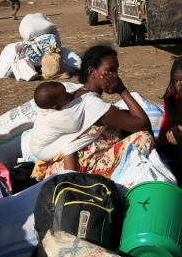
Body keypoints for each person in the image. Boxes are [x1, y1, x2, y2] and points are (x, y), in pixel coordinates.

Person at [29, 45, 153, 180]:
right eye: (110, 70)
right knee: (144, 137)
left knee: (122, 116)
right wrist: (122, 90)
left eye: (117, 70)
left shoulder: (76, 92)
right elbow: (144, 124)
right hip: (72, 170)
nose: (116, 76)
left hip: (59, 166)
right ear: (92, 72)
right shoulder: (93, 104)